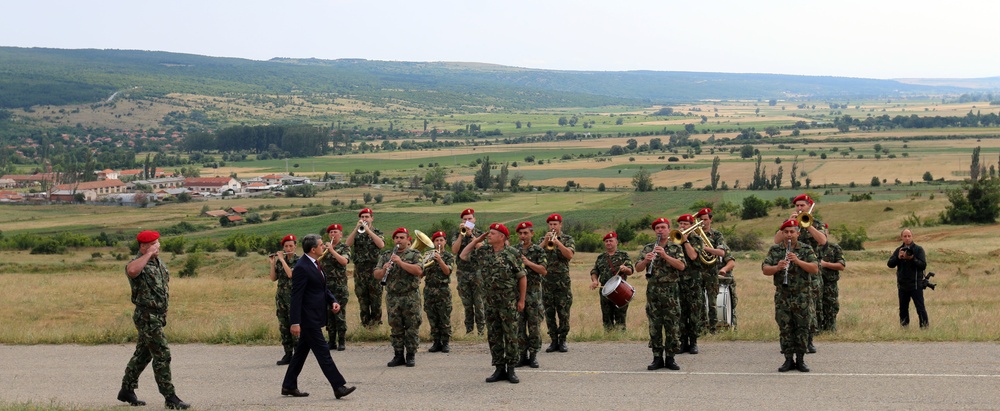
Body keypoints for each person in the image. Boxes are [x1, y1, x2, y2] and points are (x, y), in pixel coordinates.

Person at [117, 230, 190, 409]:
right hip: (147, 316)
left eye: (157, 242)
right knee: (162, 354)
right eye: (154, 244)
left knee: (143, 355)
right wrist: (148, 254)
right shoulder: (137, 263)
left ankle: (126, 389)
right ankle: (170, 397)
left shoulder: (158, 263)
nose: (158, 246)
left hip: (158, 315)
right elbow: (132, 271)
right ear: (143, 246)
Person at [281, 234, 356, 400]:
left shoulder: (314, 263)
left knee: (300, 353)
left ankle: (289, 385)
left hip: (315, 315)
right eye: (322, 245)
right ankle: (338, 386)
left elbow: (320, 288)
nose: (325, 247)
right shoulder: (302, 267)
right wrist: (295, 322)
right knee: (323, 353)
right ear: (313, 249)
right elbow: (296, 296)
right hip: (308, 319)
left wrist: (333, 301)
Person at [460, 223, 527, 384]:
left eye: (492, 233)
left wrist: (521, 300)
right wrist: (478, 239)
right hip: (490, 302)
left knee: (511, 336)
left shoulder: (512, 253)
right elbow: (463, 255)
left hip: (508, 302)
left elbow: (522, 277)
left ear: (502, 237)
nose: (489, 235)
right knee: (494, 336)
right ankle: (498, 367)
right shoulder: (484, 252)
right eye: (488, 233)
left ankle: (511, 369)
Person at [762, 219, 819, 373]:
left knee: (802, 328)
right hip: (783, 296)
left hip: (802, 296)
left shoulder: (806, 249)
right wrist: (777, 267)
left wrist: (797, 261)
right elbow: (765, 269)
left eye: (792, 232)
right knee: (785, 328)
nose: (789, 235)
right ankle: (788, 360)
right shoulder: (775, 250)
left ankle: (800, 360)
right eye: (786, 232)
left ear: (798, 233)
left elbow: (814, 268)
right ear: (782, 234)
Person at [774, 194, 827, 353]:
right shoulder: (789, 225)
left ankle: (808, 340)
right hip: (791, 270)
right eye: (797, 206)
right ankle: (790, 341)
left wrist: (808, 224)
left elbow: (823, 241)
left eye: (802, 206)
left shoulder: (816, 223)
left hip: (810, 270)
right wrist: (787, 224)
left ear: (809, 206)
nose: (798, 208)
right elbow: (776, 240)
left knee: (811, 307)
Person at [634, 218, 686, 371]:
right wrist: (645, 260)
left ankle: (670, 358)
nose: (660, 230)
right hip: (653, 291)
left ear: (669, 230)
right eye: (657, 228)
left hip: (671, 290)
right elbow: (637, 268)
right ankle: (657, 357)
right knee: (655, 325)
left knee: (672, 325)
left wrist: (665, 256)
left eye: (663, 227)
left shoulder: (676, 248)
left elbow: (682, 266)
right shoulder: (648, 248)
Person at [373, 228, 424, 367]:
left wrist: (400, 262)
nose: (399, 240)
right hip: (393, 297)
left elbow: (418, 271)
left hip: (410, 296)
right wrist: (384, 269)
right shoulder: (386, 255)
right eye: (396, 238)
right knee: (395, 327)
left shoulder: (414, 254)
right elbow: (376, 275)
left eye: (402, 237)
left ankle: (411, 355)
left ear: (408, 240)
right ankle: (398, 355)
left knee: (412, 326)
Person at [513, 221, 547, 368]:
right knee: (519, 326)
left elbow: (543, 270)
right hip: (518, 294)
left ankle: (533, 355)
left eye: (526, 233)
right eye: (520, 233)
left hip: (533, 295)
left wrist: (528, 263)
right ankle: (522, 354)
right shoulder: (513, 250)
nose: (523, 236)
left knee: (534, 327)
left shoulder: (538, 251)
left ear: (532, 234)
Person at [346, 208, 386, 327]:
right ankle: (365, 326)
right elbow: (347, 244)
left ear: (372, 218)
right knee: (362, 300)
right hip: (360, 272)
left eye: (367, 217)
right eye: (362, 217)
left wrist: (368, 231)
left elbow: (381, 244)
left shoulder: (377, 232)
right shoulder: (357, 233)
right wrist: (355, 229)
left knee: (375, 301)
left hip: (374, 271)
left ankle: (375, 326)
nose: (364, 219)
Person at [541, 213, 575, 353]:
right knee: (549, 312)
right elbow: (535, 252)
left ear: (560, 225)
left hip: (562, 282)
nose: (553, 226)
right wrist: (545, 241)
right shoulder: (543, 239)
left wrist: (558, 243)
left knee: (563, 312)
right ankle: (553, 340)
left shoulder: (568, 239)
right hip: (547, 282)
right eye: (551, 224)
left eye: (555, 224)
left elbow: (569, 255)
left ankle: (562, 340)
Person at [589, 232, 634, 331]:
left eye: (611, 241)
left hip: (620, 289)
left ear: (616, 242)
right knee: (606, 317)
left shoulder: (623, 255)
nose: (608, 243)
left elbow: (630, 271)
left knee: (620, 317)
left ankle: (620, 339)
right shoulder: (600, 257)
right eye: (606, 241)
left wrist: (625, 269)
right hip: (605, 290)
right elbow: (594, 271)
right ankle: (608, 339)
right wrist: (595, 281)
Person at [675, 214, 707, 354]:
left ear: (691, 225)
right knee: (681, 313)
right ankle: (682, 341)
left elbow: (694, 256)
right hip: (678, 282)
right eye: (681, 224)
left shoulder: (697, 239)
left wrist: (686, 241)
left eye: (686, 224)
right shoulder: (674, 240)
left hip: (694, 282)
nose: (682, 226)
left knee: (694, 314)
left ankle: (693, 342)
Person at [451, 208, 486, 335]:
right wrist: (461, 235)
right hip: (462, 272)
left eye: (470, 219)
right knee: (467, 304)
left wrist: (471, 235)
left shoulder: (480, 233)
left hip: (477, 272)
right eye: (465, 219)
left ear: (474, 220)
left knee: (479, 302)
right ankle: (469, 330)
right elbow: (454, 250)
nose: (467, 221)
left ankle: (481, 331)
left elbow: (482, 249)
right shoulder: (457, 234)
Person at [695, 208, 728, 333]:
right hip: (697, 271)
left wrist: (705, 249)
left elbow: (721, 252)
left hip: (711, 271)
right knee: (699, 301)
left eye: (705, 219)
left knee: (712, 302)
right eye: (700, 220)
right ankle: (701, 327)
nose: (702, 222)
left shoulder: (717, 235)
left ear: (710, 219)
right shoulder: (694, 235)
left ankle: (713, 328)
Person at [888, 229, 928, 328]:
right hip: (902, 285)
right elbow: (890, 264)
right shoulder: (899, 250)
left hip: (915, 284)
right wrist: (898, 257)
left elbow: (923, 265)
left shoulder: (918, 249)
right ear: (901, 237)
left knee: (920, 308)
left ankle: (924, 328)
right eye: (905, 236)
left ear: (912, 236)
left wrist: (912, 259)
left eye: (909, 236)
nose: (907, 238)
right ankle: (904, 328)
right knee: (903, 309)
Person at [320, 224, 351, 351]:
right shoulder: (323, 248)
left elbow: (344, 261)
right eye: (331, 232)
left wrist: (332, 250)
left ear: (341, 234)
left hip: (340, 287)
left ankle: (342, 341)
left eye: (335, 232)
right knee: (328, 314)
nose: (333, 234)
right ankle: (331, 341)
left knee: (339, 314)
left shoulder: (344, 247)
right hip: (326, 287)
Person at [269, 234, 299, 365]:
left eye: (291, 246)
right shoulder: (281, 260)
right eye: (286, 246)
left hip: (293, 298)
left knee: (295, 326)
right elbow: (273, 278)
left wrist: (282, 260)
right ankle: (288, 353)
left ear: (295, 246)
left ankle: (298, 354)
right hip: (281, 298)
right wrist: (273, 263)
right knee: (283, 326)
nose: (288, 248)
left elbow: (291, 274)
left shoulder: (299, 260)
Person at [423, 231, 455, 353]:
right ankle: (436, 341)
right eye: (437, 240)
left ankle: (446, 342)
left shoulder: (448, 256)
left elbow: (447, 271)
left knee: (444, 317)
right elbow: (421, 273)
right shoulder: (428, 254)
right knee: (432, 317)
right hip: (429, 290)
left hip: (443, 291)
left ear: (445, 242)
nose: (439, 243)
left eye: (441, 240)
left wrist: (440, 260)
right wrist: (423, 263)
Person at [817, 223, 845, 332]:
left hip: (829, 284)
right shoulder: (810, 248)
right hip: (814, 285)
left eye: (823, 232)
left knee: (831, 308)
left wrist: (826, 264)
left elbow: (841, 265)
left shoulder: (834, 248)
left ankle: (830, 331)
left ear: (827, 233)